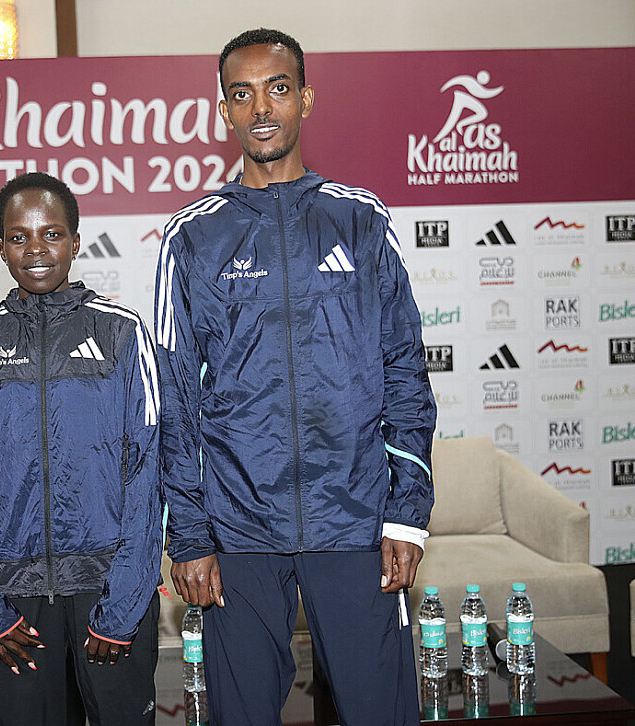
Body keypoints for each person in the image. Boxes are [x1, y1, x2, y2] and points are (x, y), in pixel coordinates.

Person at [154, 29, 436, 726]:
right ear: (223, 109)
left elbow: (404, 369)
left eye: (277, 88)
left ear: (305, 99)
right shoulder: (191, 235)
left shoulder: (360, 218)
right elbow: (173, 397)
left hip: (356, 518)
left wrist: (407, 511)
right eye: (242, 93)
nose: (261, 108)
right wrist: (189, 534)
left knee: (380, 712)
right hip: (239, 523)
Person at [0, 172, 162, 725]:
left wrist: (124, 605)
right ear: (1, 249)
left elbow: (147, 472)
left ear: (76, 241)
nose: (36, 249)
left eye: (52, 234)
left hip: (107, 588)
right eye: (19, 237)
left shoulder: (122, 332)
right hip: (13, 597)